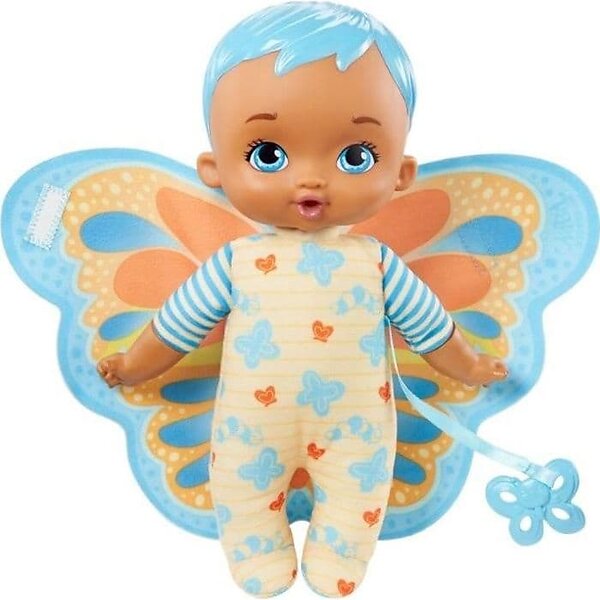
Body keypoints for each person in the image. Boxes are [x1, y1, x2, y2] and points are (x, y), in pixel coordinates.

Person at [97, 2, 507, 597]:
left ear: (400, 173)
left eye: (355, 156)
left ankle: (341, 553)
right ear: (214, 168)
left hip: (357, 427)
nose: (310, 179)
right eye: (268, 154)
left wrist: (468, 366)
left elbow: (430, 326)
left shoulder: (376, 264)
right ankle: (258, 554)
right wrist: (134, 364)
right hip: (249, 425)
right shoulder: (236, 263)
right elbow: (178, 325)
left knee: (359, 493)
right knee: (240, 491)